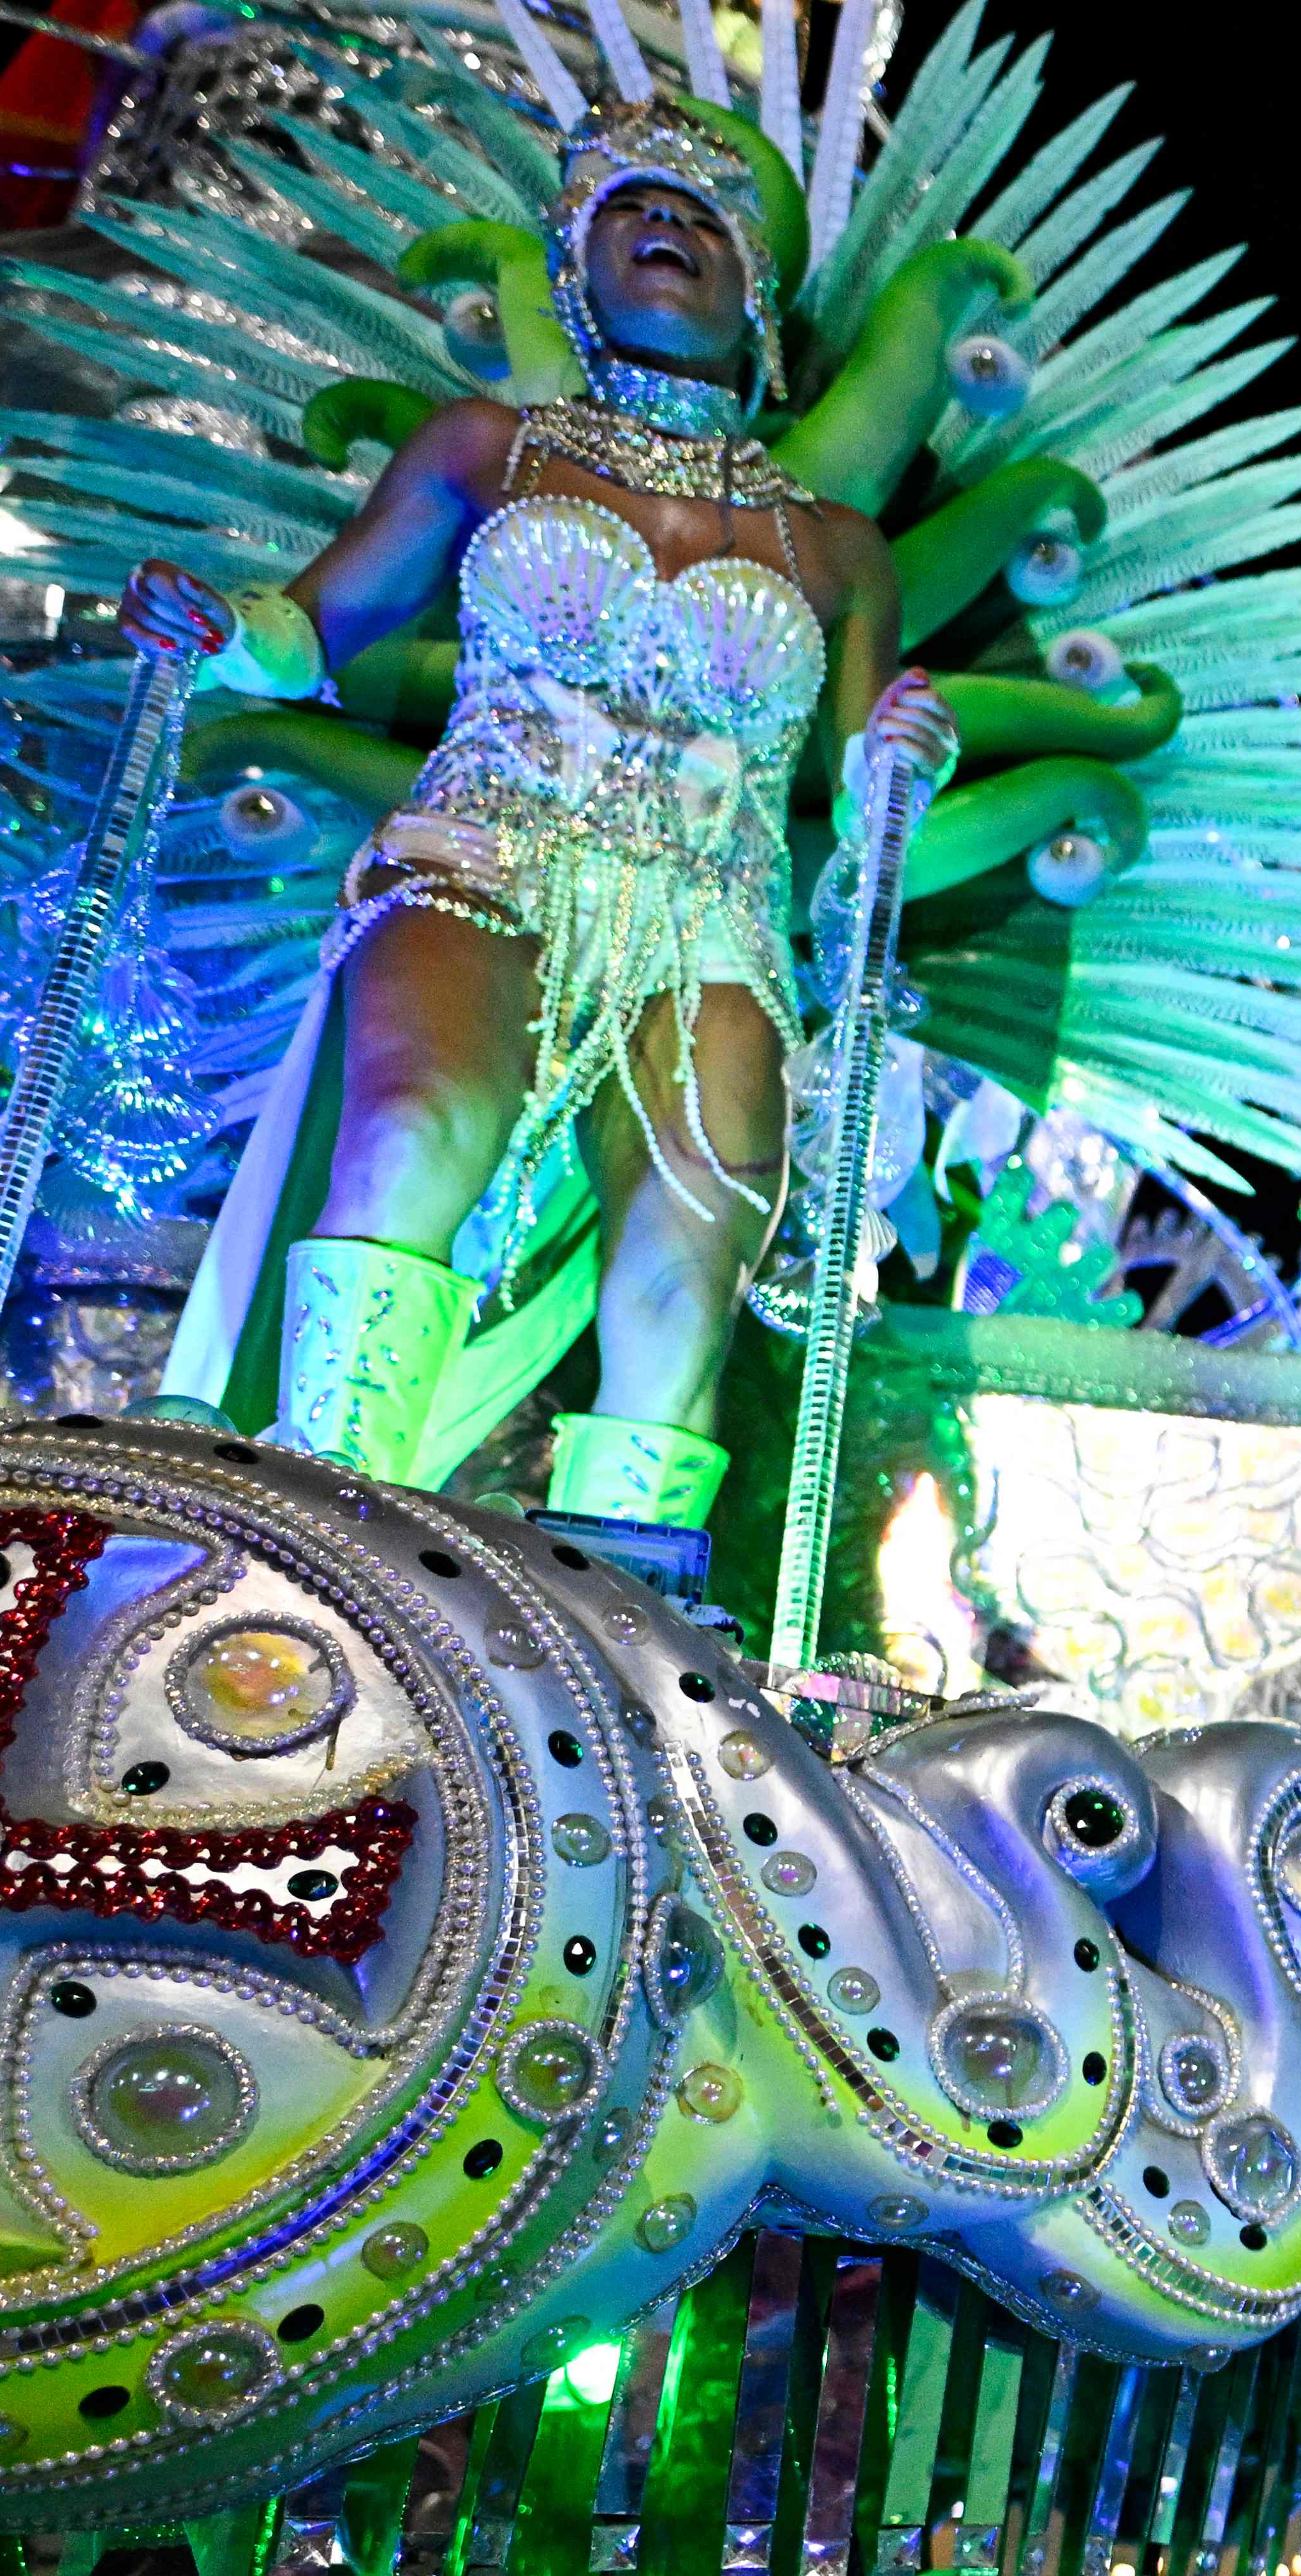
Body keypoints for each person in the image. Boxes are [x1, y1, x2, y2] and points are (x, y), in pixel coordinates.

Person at [133, 103, 952, 1545]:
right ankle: (316, 1555)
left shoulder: (837, 547)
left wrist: (906, 760)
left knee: (686, 1270)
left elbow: (867, 781)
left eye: (706, 219)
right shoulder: (484, 450)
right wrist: (216, 632)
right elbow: (309, 631)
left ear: (757, 291)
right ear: (575, 260)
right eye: (632, 206)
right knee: (411, 1130)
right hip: (489, 843)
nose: (669, 228)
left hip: (712, 910)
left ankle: (621, 1653)